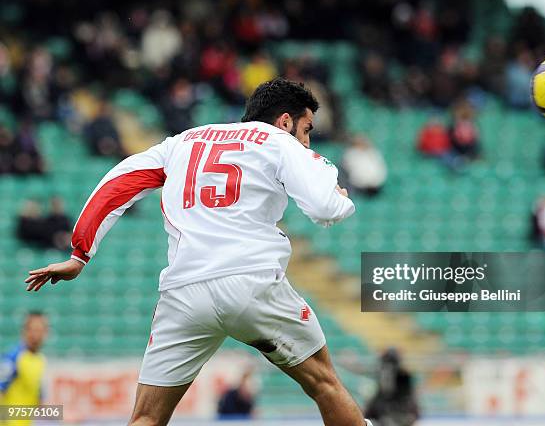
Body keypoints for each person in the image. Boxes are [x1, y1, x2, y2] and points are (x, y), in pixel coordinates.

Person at [24, 78, 373, 426]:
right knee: (325, 384)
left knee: (146, 416)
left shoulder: (183, 142)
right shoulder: (280, 141)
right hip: (250, 281)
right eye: (307, 128)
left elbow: (119, 182)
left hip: (184, 292)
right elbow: (324, 208)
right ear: (285, 120)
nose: (307, 139)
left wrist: (80, 253)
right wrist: (340, 200)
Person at [0, 312, 49, 426]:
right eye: (33, 329)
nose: (36, 334)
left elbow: (39, 401)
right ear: (24, 331)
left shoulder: (40, 360)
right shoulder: (14, 357)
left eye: (40, 330)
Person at [365, 348, 419, 426]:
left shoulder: (403, 376)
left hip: (399, 413)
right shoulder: (385, 375)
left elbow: (387, 391)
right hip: (391, 413)